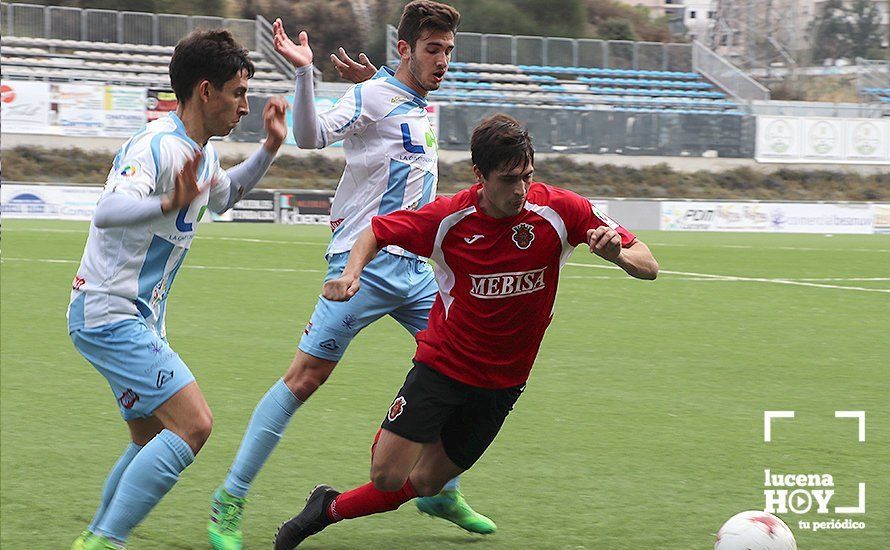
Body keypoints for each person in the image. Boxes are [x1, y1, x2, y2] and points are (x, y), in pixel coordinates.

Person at [273, 113, 659, 549]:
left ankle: (325, 510)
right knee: (385, 476)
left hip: (504, 384)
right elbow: (376, 232)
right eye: (509, 179)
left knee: (424, 484)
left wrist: (621, 258)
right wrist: (351, 274)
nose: (521, 190)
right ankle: (397, 435)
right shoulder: (448, 219)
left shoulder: (560, 210)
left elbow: (648, 264)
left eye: (527, 177)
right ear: (480, 175)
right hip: (443, 368)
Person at [208, 3, 496, 548]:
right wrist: (303, 71)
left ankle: (438, 489)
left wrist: (386, 84)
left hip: (420, 274)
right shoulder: (370, 96)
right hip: (362, 267)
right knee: (304, 379)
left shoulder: (412, 101)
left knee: (461, 373)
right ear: (406, 49)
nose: (444, 61)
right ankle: (229, 501)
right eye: (433, 50)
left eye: (449, 51)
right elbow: (310, 135)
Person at [67, 29, 287, 550]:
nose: (245, 105)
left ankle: (96, 536)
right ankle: (105, 541)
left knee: (148, 438)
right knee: (194, 424)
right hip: (109, 312)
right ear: (206, 91)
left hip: (132, 318)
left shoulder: (201, 154)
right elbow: (108, 212)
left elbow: (227, 196)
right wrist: (167, 203)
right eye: (238, 93)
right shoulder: (156, 144)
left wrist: (271, 148)